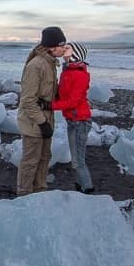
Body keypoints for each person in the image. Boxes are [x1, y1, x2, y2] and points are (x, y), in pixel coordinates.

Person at [16, 26, 67, 196]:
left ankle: (40, 190)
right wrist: (42, 122)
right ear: (52, 46)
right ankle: (24, 194)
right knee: (30, 161)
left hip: (45, 119)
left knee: (45, 157)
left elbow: (49, 93)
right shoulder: (36, 66)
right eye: (62, 45)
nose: (64, 48)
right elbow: (27, 100)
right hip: (33, 122)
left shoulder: (50, 63)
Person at [42, 42, 94, 193]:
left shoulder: (79, 75)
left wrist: (49, 105)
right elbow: (62, 92)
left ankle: (88, 189)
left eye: (68, 48)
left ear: (75, 54)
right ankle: (79, 186)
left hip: (80, 122)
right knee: (76, 159)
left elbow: (73, 101)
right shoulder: (68, 70)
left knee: (78, 161)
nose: (64, 49)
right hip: (73, 121)